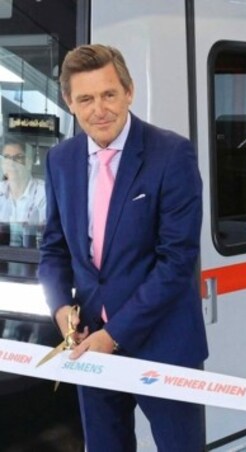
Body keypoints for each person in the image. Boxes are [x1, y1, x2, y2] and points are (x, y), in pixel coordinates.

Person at [38, 44, 207, 451]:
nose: (100, 109)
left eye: (109, 94)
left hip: (165, 346)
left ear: (129, 91)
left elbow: (177, 261)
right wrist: (61, 309)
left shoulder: (172, 154)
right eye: (86, 99)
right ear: (69, 103)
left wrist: (114, 335)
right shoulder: (61, 159)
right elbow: (54, 249)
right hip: (89, 344)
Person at [0, 138, 46, 249]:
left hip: (32, 256)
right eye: (7, 158)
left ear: (29, 162)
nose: (12, 163)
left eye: (18, 158)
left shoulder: (44, 192)